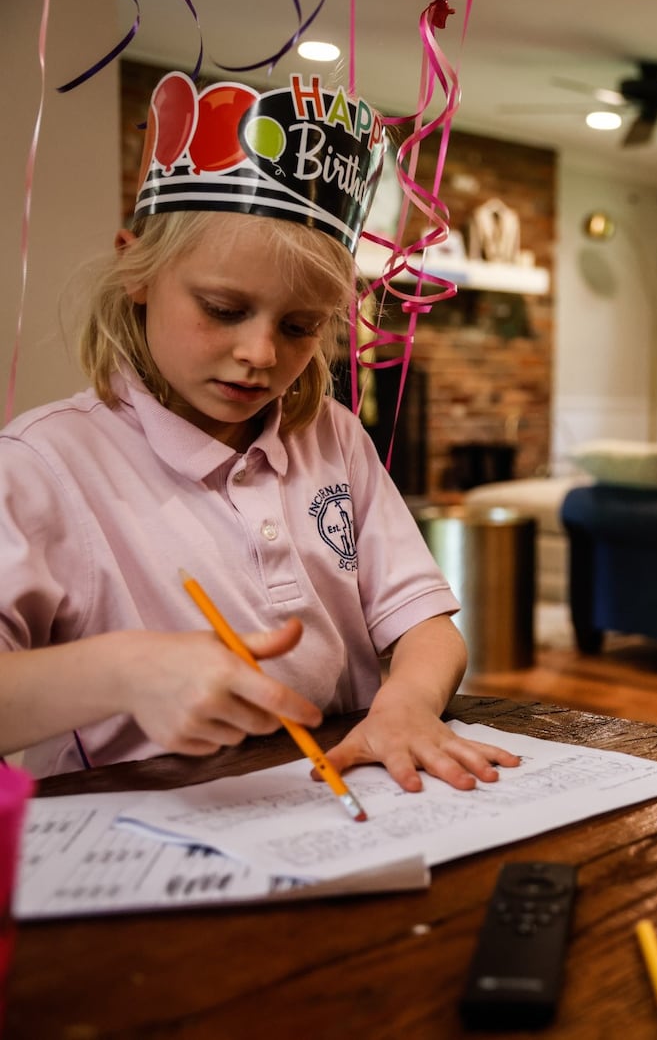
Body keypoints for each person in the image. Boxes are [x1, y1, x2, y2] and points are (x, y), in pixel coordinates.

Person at [0, 71, 517, 790]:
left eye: (300, 326)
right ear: (136, 270)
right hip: (137, 830)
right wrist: (118, 671)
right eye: (221, 307)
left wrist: (407, 702)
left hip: (346, 796)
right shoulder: (41, 464)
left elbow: (424, 622)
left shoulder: (334, 436)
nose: (260, 354)